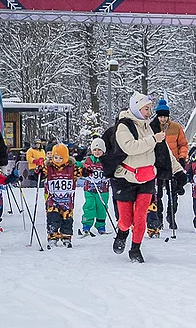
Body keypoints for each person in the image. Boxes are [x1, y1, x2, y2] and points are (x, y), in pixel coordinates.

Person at [111, 91, 168, 263]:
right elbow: (131, 147)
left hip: (147, 178)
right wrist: (153, 140)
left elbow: (163, 151)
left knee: (141, 216)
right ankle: (122, 232)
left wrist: (177, 170)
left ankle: (135, 248)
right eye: (146, 109)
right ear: (136, 108)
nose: (149, 112)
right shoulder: (124, 126)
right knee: (126, 220)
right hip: (126, 178)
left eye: (150, 109)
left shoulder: (148, 126)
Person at [34, 144, 85, 249]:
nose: (58, 160)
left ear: (66, 157)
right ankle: (52, 237)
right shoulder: (48, 167)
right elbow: (41, 174)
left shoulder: (72, 168)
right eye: (55, 157)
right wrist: (38, 172)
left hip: (67, 201)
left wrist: (85, 171)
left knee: (67, 219)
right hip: (53, 200)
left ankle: (66, 237)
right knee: (53, 218)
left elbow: (81, 172)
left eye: (61, 158)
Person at [152, 98, 189, 230]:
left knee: (173, 192)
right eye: (160, 116)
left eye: (164, 116)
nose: (162, 119)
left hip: (173, 164)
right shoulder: (153, 127)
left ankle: (171, 215)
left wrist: (182, 157)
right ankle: (159, 216)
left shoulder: (176, 128)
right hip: (159, 164)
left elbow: (183, 144)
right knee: (158, 194)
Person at [80, 138, 110, 236]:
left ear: (103, 151)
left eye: (99, 150)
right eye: (95, 150)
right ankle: (86, 225)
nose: (97, 152)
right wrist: (83, 171)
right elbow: (79, 166)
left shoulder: (106, 161)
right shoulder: (88, 160)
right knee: (89, 206)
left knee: (102, 207)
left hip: (103, 190)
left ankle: (101, 226)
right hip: (90, 189)